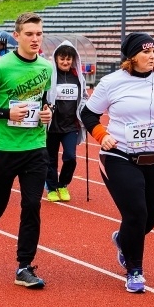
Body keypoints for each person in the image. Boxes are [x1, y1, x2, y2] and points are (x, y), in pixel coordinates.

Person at [80, 32, 154, 293]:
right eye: (146, 52)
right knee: (136, 213)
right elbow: (88, 114)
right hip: (120, 156)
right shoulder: (111, 82)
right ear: (131, 57)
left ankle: (123, 239)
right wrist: (102, 136)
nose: (152, 56)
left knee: (152, 215)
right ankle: (135, 270)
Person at [0, 12, 53, 289]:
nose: (35, 39)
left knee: (32, 205)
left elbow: (44, 101)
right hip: (4, 148)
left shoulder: (46, 67)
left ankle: (24, 266)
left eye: (39, 34)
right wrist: (6, 113)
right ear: (16, 36)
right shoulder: (0, 67)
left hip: (35, 146)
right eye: (29, 34)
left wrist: (47, 113)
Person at [44, 40, 88, 203]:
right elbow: (43, 96)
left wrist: (84, 110)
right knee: (50, 159)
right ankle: (51, 187)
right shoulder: (49, 77)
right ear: (56, 59)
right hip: (51, 126)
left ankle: (62, 184)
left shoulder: (78, 78)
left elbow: (84, 96)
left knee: (70, 158)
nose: (65, 62)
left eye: (68, 59)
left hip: (70, 126)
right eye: (62, 59)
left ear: (73, 60)